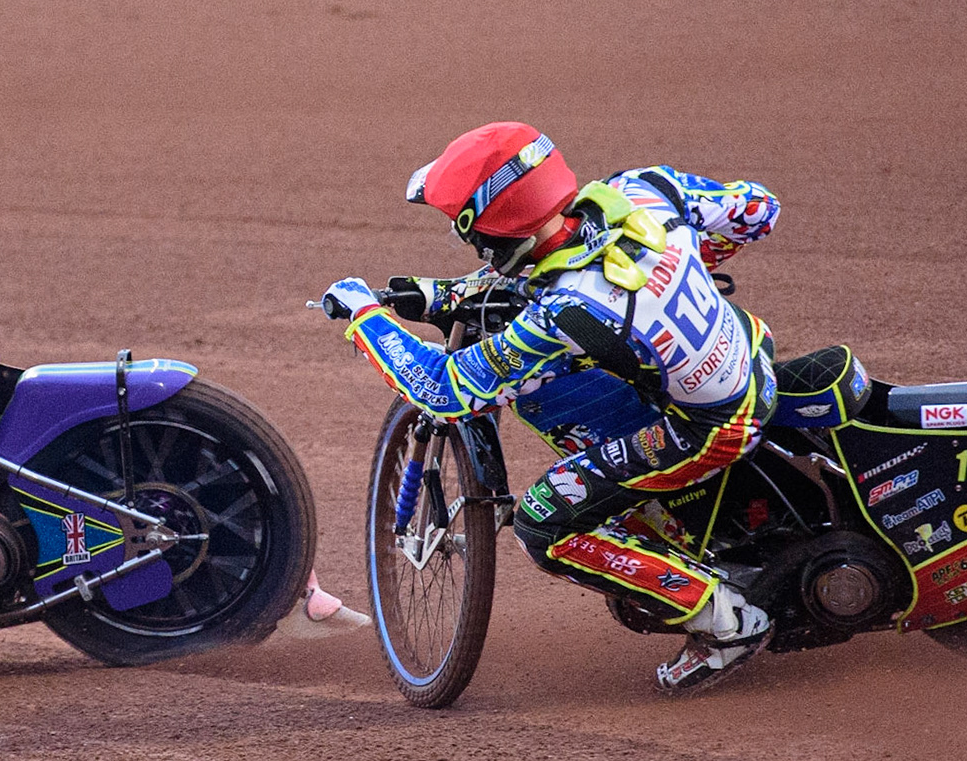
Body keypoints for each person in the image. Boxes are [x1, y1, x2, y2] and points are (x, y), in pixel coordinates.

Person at [320, 121, 782, 693]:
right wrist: (684, 266)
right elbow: (758, 209)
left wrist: (364, 316)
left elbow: (445, 389)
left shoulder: (567, 311)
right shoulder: (643, 190)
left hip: (711, 428)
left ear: (491, 234)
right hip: (752, 353)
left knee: (543, 523)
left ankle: (724, 620)